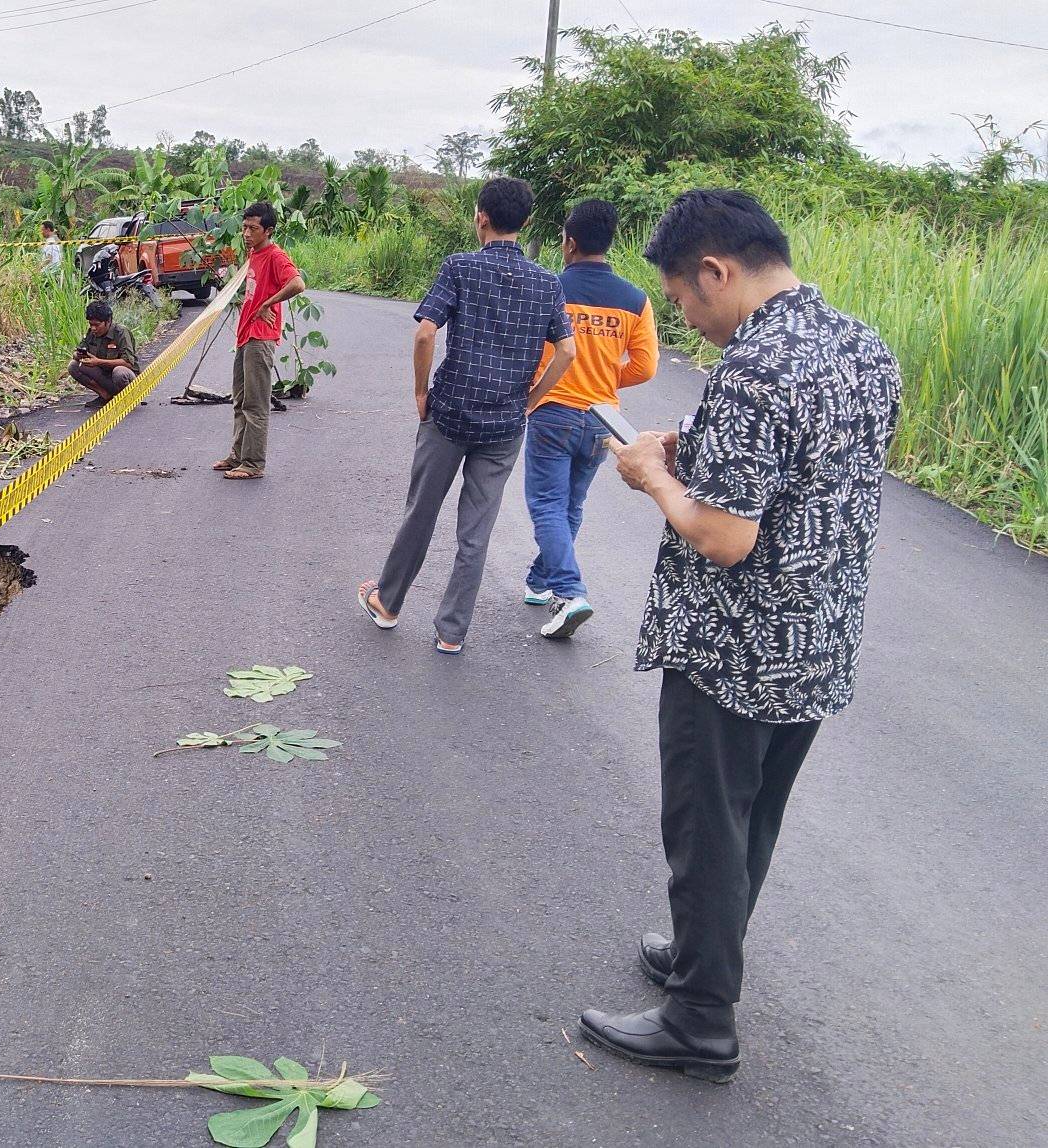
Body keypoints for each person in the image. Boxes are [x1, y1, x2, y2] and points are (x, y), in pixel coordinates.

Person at [579, 190, 901, 1083]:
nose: (686, 315)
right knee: (753, 816)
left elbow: (723, 536)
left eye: (683, 297)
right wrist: (699, 442)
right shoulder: (860, 345)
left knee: (706, 825)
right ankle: (702, 957)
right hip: (819, 638)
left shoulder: (757, 368)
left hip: (736, 650)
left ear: (716, 271)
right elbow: (815, 470)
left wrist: (651, 475)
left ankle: (697, 1020)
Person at [357, 177, 577, 653]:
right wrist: (533, 398)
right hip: (504, 424)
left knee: (421, 513)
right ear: (527, 222)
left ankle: (388, 604)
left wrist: (420, 392)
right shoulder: (547, 283)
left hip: (450, 413)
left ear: (481, 217)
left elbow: (424, 334)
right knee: (475, 532)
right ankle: (451, 633)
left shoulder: (459, 267)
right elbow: (567, 350)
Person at [521, 198, 660, 639]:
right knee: (571, 504)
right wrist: (607, 373)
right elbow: (646, 366)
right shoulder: (636, 299)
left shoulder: (550, 287)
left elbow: (526, 349)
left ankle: (571, 591)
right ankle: (541, 582)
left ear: (570, 242)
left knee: (546, 503)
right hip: (602, 418)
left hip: (554, 410)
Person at [213, 202, 304, 480]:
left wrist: (269, 303)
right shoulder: (254, 253)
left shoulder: (276, 256)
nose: (246, 233)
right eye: (244, 228)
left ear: (268, 230)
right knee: (240, 399)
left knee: (256, 403)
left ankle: (253, 463)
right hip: (245, 334)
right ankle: (238, 455)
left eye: (253, 228)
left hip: (260, 337)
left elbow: (297, 284)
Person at [68, 299, 136, 403]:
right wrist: (79, 355)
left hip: (126, 379)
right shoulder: (91, 333)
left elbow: (128, 363)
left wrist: (98, 361)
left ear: (108, 321)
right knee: (73, 366)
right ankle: (105, 395)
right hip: (105, 376)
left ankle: (128, 399)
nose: (93, 328)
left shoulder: (121, 332)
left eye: (97, 325)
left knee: (119, 372)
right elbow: (77, 351)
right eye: (91, 324)